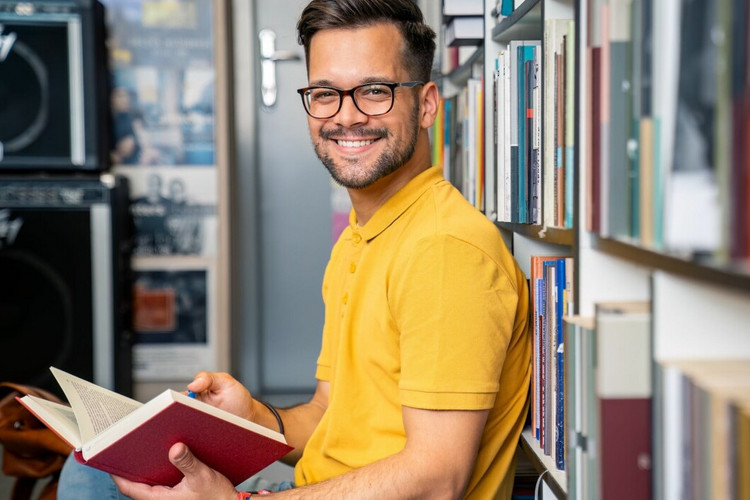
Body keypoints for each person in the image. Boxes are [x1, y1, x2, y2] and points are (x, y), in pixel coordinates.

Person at [57, 0, 531, 498]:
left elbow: (438, 478)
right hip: (322, 484)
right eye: (326, 93)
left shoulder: (445, 252)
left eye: (375, 91)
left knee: (93, 485)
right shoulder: (361, 235)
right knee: (91, 466)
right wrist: (253, 417)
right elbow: (328, 414)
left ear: (428, 104)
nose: (346, 117)